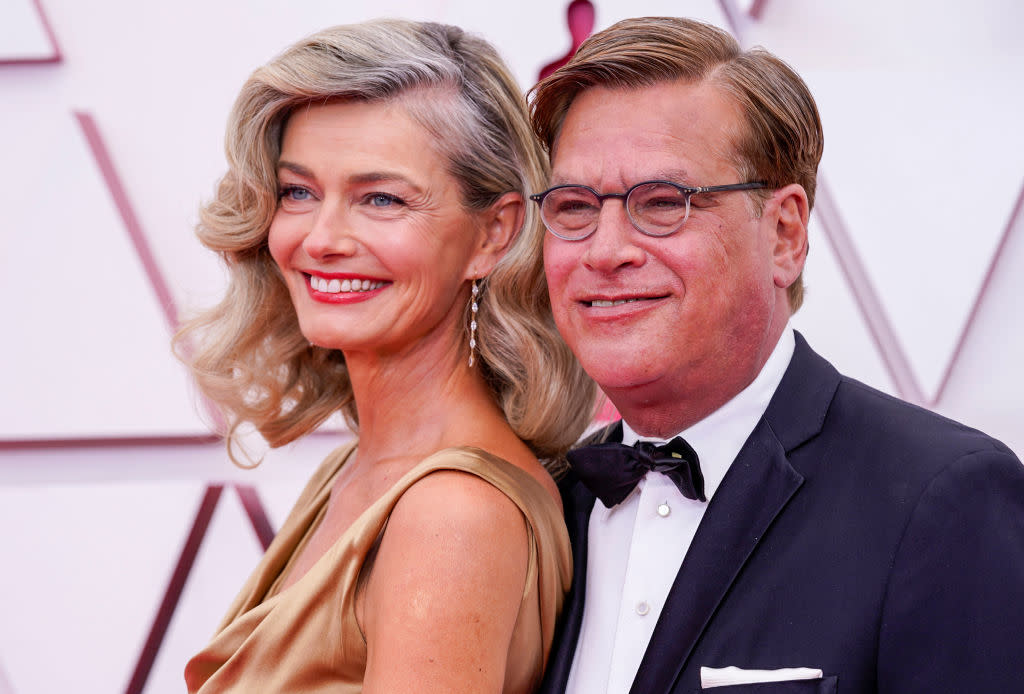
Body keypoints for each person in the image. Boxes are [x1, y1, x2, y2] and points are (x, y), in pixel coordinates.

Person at [528, 16, 1024, 694]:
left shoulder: (942, 500)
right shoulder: (539, 509)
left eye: (663, 202)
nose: (606, 250)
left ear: (785, 233)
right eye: (576, 206)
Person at [176, 19, 598, 693]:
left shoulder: (452, 513)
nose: (321, 238)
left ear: (494, 234)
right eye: (299, 192)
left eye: (381, 198)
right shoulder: (362, 465)